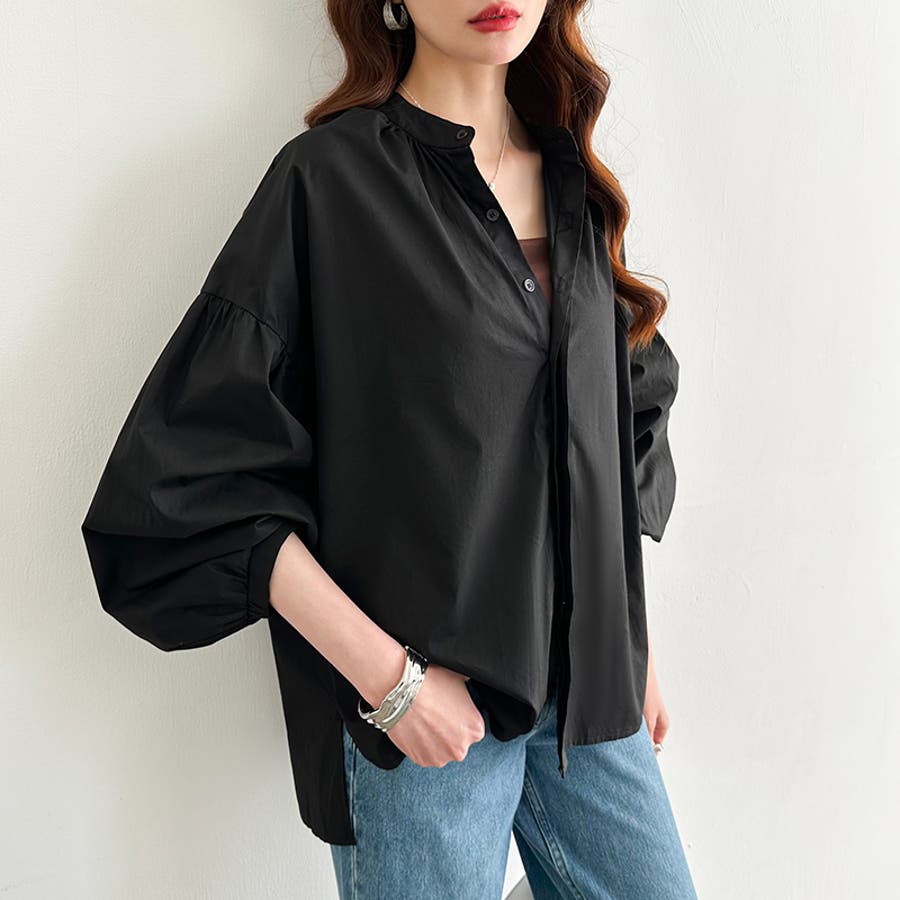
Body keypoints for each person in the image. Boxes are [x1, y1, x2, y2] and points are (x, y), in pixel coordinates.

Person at [81, 1, 697, 897]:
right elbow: (187, 478)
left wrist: (630, 639)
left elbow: (612, 420)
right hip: (423, 727)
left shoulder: (574, 184)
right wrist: (394, 685)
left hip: (591, 701)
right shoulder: (329, 183)